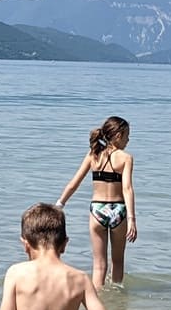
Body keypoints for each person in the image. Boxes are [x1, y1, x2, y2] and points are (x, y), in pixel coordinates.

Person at [56, 114, 136, 288]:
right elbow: (127, 189)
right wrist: (131, 219)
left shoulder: (93, 155)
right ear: (118, 136)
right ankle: (116, 299)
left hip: (97, 211)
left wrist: (59, 204)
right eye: (127, 136)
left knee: (99, 265)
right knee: (117, 262)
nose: (128, 140)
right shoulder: (126, 158)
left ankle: (96, 297)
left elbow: (74, 183)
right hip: (119, 211)